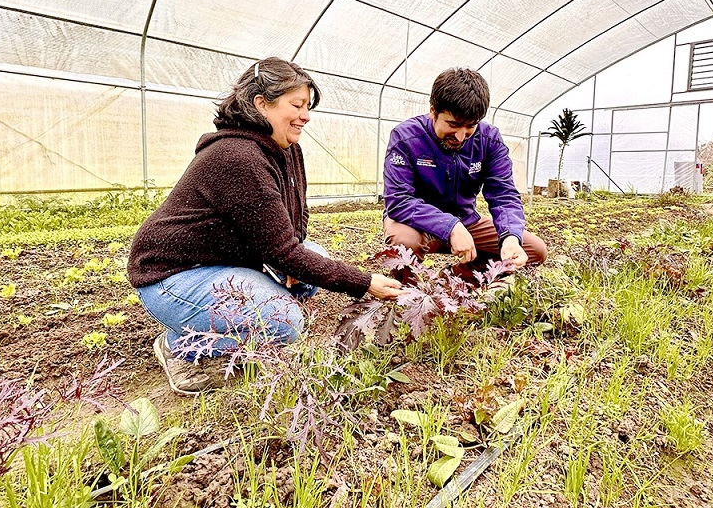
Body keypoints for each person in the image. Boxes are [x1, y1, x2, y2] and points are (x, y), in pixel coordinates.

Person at [128, 57, 402, 396]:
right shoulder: (236, 158)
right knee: (285, 322)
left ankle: (241, 326)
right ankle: (178, 344)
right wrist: (364, 282)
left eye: (307, 106)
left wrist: (289, 261)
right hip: (173, 277)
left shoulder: (287, 149)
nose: (306, 115)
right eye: (297, 105)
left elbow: (296, 215)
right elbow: (283, 251)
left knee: (313, 256)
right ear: (262, 104)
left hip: (222, 264)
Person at [382, 67, 547, 282]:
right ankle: (407, 292)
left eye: (470, 126)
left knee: (534, 250)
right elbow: (399, 201)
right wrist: (450, 226)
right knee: (404, 241)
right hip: (418, 224)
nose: (461, 137)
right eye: (453, 124)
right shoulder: (406, 138)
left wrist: (510, 237)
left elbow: (503, 194)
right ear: (433, 111)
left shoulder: (489, 140)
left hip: (468, 221)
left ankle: (452, 280)